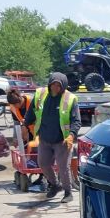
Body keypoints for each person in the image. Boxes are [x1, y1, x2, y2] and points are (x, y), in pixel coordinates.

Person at [23, 72, 81, 203]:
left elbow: (76, 121)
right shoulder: (40, 94)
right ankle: (55, 185)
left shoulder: (70, 99)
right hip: (45, 138)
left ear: (63, 86)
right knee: (43, 163)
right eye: (53, 85)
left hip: (62, 140)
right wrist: (24, 125)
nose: (55, 88)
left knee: (63, 167)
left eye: (59, 85)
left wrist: (71, 135)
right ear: (49, 84)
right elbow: (31, 112)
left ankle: (68, 192)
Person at [7, 88, 45, 186]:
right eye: (14, 104)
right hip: (28, 131)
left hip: (41, 130)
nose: (17, 106)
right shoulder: (13, 107)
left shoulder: (32, 102)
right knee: (28, 152)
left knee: (41, 153)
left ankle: (44, 176)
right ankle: (34, 172)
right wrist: (16, 137)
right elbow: (16, 123)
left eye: (18, 103)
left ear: (21, 98)